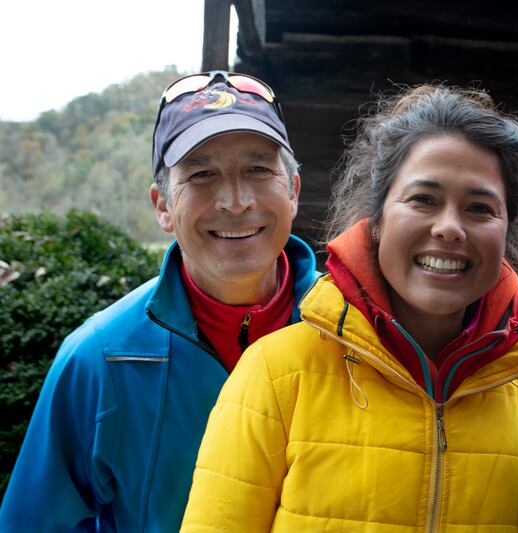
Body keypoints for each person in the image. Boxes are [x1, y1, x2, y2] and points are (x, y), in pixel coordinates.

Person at [181, 84, 518, 531]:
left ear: (507, 231)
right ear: (377, 217)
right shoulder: (278, 372)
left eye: (480, 207)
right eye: (423, 199)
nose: (449, 228)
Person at [0, 71, 318, 531]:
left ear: (292, 190)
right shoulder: (101, 357)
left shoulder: (355, 333)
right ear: (162, 206)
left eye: (257, 169)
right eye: (203, 175)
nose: (234, 200)